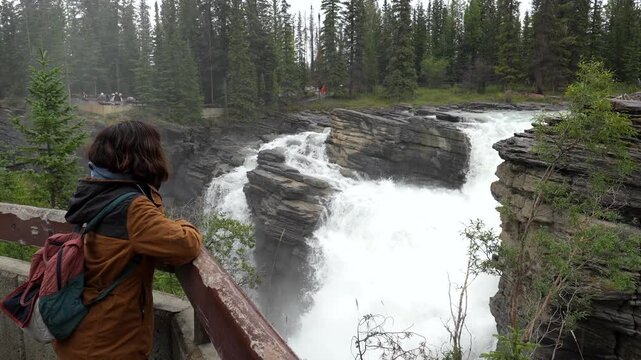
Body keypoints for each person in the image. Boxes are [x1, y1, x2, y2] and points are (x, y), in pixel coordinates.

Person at [54, 121, 203, 359]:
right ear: (143, 157)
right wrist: (185, 224)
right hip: (109, 341)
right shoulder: (133, 207)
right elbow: (185, 244)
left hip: (80, 330)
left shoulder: (94, 190)